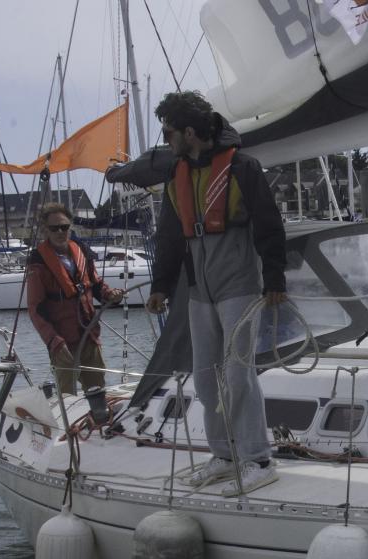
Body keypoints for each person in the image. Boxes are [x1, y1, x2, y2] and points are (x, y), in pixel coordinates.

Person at [146, 91, 288, 497]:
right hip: (199, 290)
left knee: (239, 374)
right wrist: (160, 285)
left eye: (168, 132)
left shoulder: (243, 167)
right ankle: (224, 456)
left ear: (189, 132)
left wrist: (274, 278)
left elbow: (269, 225)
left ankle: (259, 459)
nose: (166, 139)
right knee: (206, 379)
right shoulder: (177, 174)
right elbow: (169, 236)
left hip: (238, 283)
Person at [26, 203, 124, 395]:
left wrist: (110, 295)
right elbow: (35, 309)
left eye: (64, 227)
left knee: (98, 391)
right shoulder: (38, 263)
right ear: (46, 230)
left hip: (89, 335)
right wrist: (54, 341)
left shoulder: (82, 252)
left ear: (70, 227)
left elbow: (96, 285)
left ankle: (97, 414)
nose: (60, 232)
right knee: (67, 396)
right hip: (62, 342)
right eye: (54, 228)